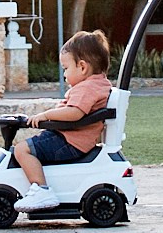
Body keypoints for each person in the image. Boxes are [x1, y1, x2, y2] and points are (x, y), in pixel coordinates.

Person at [13, 29, 115, 212]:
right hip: (72, 139)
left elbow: (75, 113)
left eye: (66, 69)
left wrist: (47, 115)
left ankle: (41, 190)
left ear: (82, 67)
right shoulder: (99, 84)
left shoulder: (87, 88)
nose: (64, 75)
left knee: (22, 150)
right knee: (32, 146)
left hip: (70, 142)